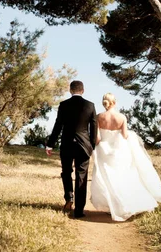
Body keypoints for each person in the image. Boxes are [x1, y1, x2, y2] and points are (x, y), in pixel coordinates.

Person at [90, 93, 161, 221]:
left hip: (104, 149)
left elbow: (97, 138)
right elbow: (125, 135)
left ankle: (112, 205)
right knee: (123, 176)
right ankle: (126, 203)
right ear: (114, 102)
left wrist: (98, 146)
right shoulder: (122, 117)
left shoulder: (99, 117)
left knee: (107, 178)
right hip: (119, 149)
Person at [46, 80, 97, 218]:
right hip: (84, 145)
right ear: (83, 90)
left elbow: (58, 126)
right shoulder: (90, 105)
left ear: (70, 90)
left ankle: (69, 198)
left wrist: (50, 144)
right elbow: (93, 128)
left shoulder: (63, 105)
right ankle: (79, 210)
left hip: (67, 143)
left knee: (66, 171)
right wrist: (92, 146)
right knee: (82, 175)